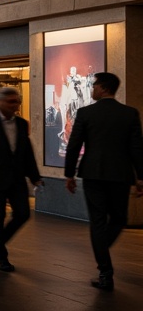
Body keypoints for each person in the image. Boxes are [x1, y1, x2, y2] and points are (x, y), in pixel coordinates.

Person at [63, 72, 143, 290]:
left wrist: (69, 174)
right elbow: (137, 148)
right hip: (120, 175)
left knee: (98, 221)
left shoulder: (86, 113)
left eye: (95, 85)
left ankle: (105, 270)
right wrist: (141, 177)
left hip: (93, 174)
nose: (92, 89)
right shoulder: (129, 114)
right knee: (119, 218)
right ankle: (101, 250)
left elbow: (73, 145)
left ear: (104, 88)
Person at [0, 86, 43, 272]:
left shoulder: (21, 123)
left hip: (17, 178)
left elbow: (26, 152)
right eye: (11, 102)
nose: (15, 105)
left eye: (17, 101)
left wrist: (35, 177)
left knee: (23, 214)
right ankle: (1, 257)